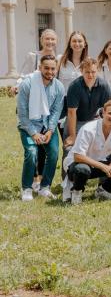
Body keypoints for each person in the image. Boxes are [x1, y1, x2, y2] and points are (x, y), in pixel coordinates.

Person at [63, 100, 111, 205]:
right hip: (77, 165)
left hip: (99, 163)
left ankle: (105, 190)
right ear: (103, 113)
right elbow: (78, 156)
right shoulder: (88, 128)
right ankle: (76, 192)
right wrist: (103, 167)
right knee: (82, 169)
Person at [16, 55, 65, 201]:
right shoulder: (27, 84)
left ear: (56, 69)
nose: (50, 71)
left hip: (47, 126)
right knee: (31, 153)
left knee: (54, 153)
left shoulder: (59, 86)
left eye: (53, 68)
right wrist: (33, 133)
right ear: (39, 68)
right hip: (28, 125)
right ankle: (26, 189)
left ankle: (45, 187)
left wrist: (50, 130)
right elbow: (22, 113)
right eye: (46, 68)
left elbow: (56, 112)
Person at [64, 58, 111, 148]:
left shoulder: (104, 86)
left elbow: (109, 109)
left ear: (97, 71)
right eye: (87, 72)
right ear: (81, 71)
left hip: (93, 120)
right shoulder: (74, 86)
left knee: (92, 150)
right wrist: (72, 136)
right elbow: (71, 112)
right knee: (70, 149)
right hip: (75, 121)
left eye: (93, 72)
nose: (90, 75)